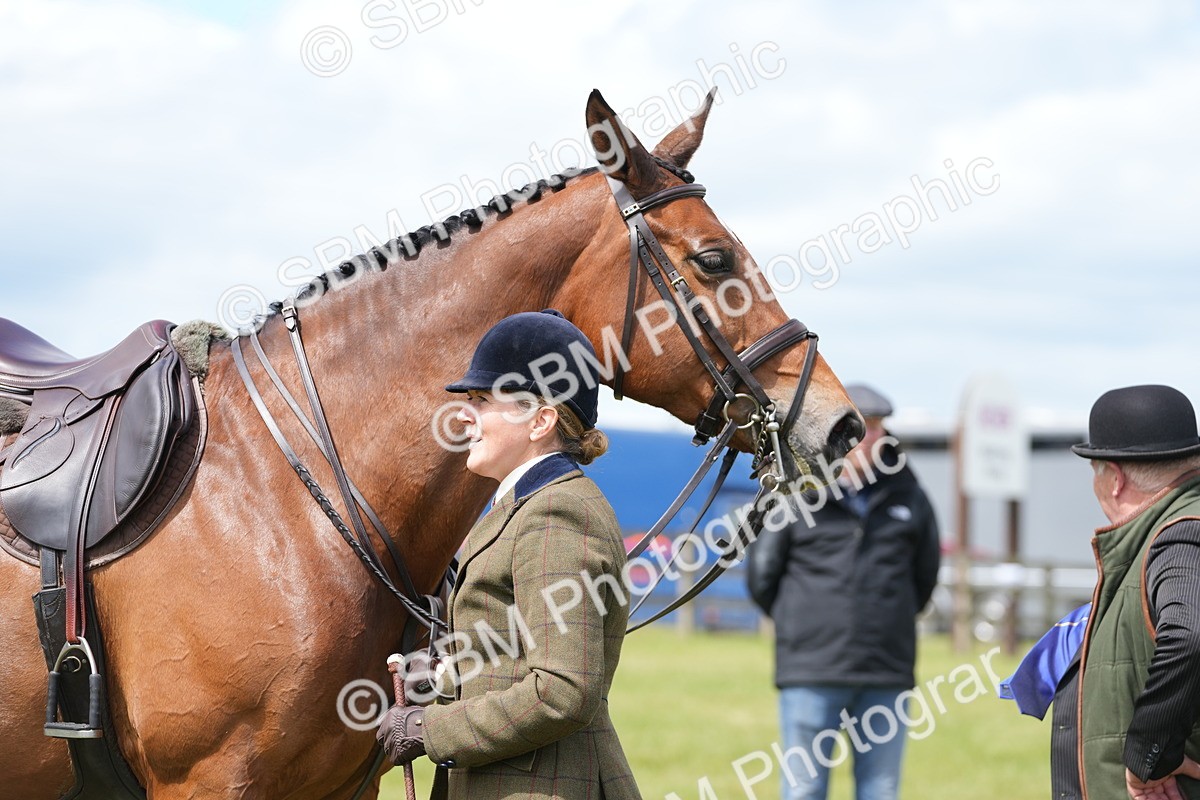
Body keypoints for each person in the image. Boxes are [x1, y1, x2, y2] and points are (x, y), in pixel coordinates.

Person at [375, 309, 642, 800]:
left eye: (481, 400)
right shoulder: (528, 505)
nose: (464, 415)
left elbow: (562, 690)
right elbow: (512, 656)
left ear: (540, 420)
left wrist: (430, 729)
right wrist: (446, 675)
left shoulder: (558, 513)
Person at [746, 383, 941, 800]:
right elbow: (762, 576)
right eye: (859, 428)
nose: (867, 439)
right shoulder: (797, 493)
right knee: (804, 789)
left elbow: (925, 578)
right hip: (811, 670)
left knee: (880, 789)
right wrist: (804, 624)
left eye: (876, 428)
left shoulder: (910, 496)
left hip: (886, 671)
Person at [1047, 384, 1200, 800]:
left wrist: (1149, 755)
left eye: (1095, 472)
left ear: (1114, 479)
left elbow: (1190, 635)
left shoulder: (1183, 535)